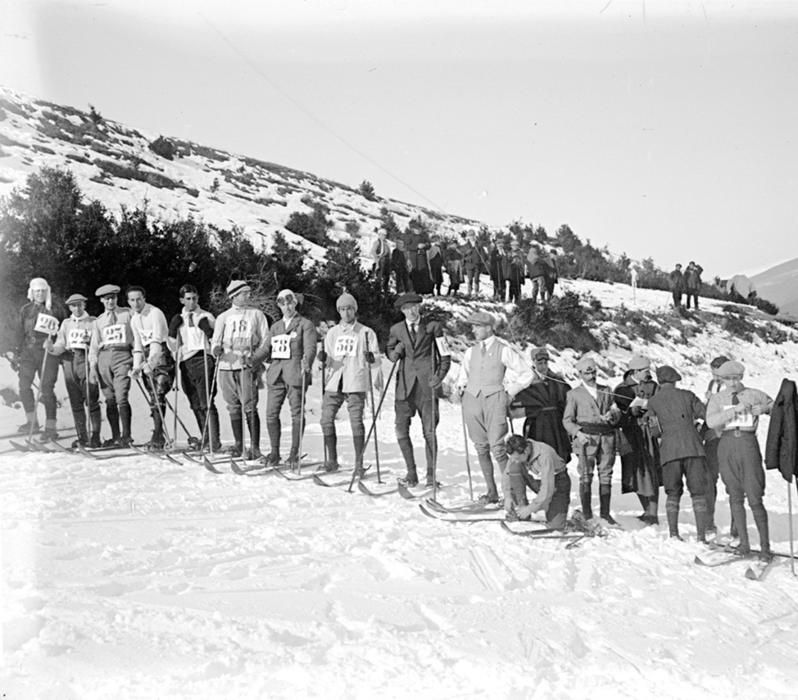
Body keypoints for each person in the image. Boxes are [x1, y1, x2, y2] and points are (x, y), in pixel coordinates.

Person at [454, 312, 535, 505]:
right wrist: (460, 389)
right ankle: (492, 492)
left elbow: (526, 374)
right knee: (481, 447)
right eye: (472, 326)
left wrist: (510, 392)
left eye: (477, 326)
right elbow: (463, 375)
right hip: (472, 401)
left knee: (498, 448)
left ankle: (513, 494)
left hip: (495, 400)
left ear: (489, 328)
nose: (473, 330)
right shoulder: (470, 352)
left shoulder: (503, 350)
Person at [706, 360, 774, 561]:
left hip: (747, 444)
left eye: (736, 378)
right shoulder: (718, 398)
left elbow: (777, 407)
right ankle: (744, 543)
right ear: (722, 379)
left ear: (741, 378)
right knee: (734, 495)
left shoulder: (754, 394)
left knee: (755, 496)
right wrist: (734, 410)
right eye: (728, 379)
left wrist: (762, 409)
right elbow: (711, 421)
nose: (733, 383)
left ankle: (765, 547)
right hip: (726, 444)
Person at [387, 292, 451, 487]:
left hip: (427, 385)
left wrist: (438, 377)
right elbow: (390, 353)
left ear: (419, 307)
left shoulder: (433, 327)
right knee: (400, 429)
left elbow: (446, 357)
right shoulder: (396, 329)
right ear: (402, 311)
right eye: (407, 308)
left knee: (429, 432)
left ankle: (431, 476)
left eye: (415, 307)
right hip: (404, 386)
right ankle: (411, 472)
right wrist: (395, 352)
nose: (412, 311)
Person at [318, 292, 382, 474]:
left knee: (356, 422)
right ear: (339, 311)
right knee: (326, 419)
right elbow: (328, 359)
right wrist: (323, 359)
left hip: (355, 381)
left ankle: (359, 464)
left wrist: (372, 359)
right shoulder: (332, 333)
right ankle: (331, 460)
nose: (346, 313)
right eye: (343, 309)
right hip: (335, 381)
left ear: (355, 310)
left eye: (349, 309)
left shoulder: (366, 332)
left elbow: (376, 359)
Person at [253, 289, 317, 468]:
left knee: (296, 413)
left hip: (296, 373)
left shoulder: (305, 324)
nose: (287, 307)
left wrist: (308, 361)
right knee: (271, 414)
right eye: (282, 304)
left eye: (289, 303)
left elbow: (311, 348)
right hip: (276, 374)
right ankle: (274, 452)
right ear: (279, 306)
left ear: (295, 303)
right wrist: (251, 360)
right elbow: (266, 348)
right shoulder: (276, 327)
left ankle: (294, 453)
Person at [646, 365, 709, 541]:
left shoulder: (653, 402)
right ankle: (701, 536)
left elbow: (655, 431)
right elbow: (706, 415)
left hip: (669, 452)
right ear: (675, 380)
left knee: (673, 492)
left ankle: (674, 533)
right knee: (698, 492)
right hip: (693, 448)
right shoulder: (688, 396)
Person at [210, 280, 270, 459]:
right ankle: (238, 444)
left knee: (249, 405)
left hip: (247, 365)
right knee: (233, 406)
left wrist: (256, 358)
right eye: (244, 293)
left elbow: (266, 340)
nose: (248, 296)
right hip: (227, 366)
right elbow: (215, 341)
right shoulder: (223, 317)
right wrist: (216, 350)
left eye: (248, 292)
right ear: (234, 296)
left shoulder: (257, 314)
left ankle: (255, 447)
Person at [562, 355, 619, 524]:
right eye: (587, 373)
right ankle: (587, 513)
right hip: (586, 439)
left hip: (606, 438)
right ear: (580, 374)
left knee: (606, 474)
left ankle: (605, 513)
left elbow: (616, 411)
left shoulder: (606, 390)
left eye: (593, 372)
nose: (591, 376)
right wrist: (578, 433)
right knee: (586, 475)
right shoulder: (574, 394)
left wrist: (613, 415)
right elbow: (567, 420)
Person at [167, 284, 221, 452]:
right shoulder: (180, 318)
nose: (191, 302)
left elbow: (216, 340)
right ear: (182, 300)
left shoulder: (206, 316)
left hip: (203, 358)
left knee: (207, 402)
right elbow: (174, 347)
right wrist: (171, 331)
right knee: (195, 403)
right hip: (186, 362)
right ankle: (205, 437)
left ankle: (214, 441)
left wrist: (209, 330)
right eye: (188, 299)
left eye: (194, 298)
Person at [46, 293, 101, 448]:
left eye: (80, 305)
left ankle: (95, 436)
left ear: (84, 305)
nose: (77, 308)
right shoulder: (66, 323)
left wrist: (89, 343)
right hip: (70, 359)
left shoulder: (93, 322)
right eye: (73, 305)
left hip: (86, 359)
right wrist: (52, 348)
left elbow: (98, 343)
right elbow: (61, 344)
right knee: (75, 401)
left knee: (91, 398)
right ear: (69, 307)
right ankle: (82, 437)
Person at [12, 277, 63, 439]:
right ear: (32, 292)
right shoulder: (26, 309)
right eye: (37, 291)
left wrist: (54, 342)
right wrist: (16, 352)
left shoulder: (55, 308)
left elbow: (63, 330)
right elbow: (19, 332)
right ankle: (31, 421)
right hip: (28, 352)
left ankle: (51, 427)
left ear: (47, 291)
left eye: (42, 290)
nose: (40, 293)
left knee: (47, 389)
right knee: (24, 386)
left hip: (47, 352)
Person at [614, 355, 662, 525]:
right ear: (635, 371)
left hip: (650, 432)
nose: (649, 373)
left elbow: (661, 404)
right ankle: (647, 510)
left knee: (653, 471)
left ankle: (652, 513)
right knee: (636, 473)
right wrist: (630, 413)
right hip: (632, 435)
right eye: (645, 370)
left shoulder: (654, 386)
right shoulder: (621, 389)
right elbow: (617, 415)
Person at [128, 286, 175, 450]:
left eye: (139, 299)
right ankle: (158, 433)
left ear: (144, 298)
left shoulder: (155, 313)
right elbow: (138, 345)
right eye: (132, 300)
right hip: (148, 355)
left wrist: (151, 363)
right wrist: (136, 367)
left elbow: (156, 340)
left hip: (161, 355)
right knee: (153, 397)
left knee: (159, 393)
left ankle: (158, 435)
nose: (136, 303)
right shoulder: (134, 319)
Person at [89, 284, 135, 447]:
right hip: (104, 358)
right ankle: (116, 436)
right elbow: (94, 347)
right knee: (109, 399)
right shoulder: (99, 321)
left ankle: (126, 435)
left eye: (113, 298)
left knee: (122, 396)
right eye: (107, 298)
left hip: (122, 355)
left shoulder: (127, 314)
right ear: (102, 300)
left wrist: (136, 359)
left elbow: (135, 338)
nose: (110, 301)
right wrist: (93, 368)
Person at [512, 347, 570, 463]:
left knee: (560, 455)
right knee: (539, 456)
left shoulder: (557, 381)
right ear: (533, 362)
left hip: (557, 425)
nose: (543, 366)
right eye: (539, 363)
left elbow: (569, 400)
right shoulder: (527, 382)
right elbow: (514, 406)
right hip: (537, 425)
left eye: (545, 363)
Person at [504, 434, 572, 530]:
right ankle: (521, 508)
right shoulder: (518, 452)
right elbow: (507, 473)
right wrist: (507, 496)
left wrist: (530, 509)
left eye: (518, 458)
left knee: (555, 526)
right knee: (514, 467)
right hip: (537, 481)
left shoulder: (545, 456)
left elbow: (547, 489)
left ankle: (571, 517)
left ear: (526, 451)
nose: (515, 460)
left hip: (557, 484)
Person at [703, 355, 732, 540]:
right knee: (708, 480)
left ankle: (737, 526)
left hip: (727, 438)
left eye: (718, 374)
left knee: (732, 482)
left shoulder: (733, 387)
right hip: (712, 438)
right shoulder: (712, 385)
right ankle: (708, 521)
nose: (715, 377)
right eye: (712, 373)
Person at [370, 228, 392, 294]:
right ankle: (377, 290)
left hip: (387, 261)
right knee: (379, 276)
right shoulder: (377, 242)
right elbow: (373, 251)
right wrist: (377, 261)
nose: (384, 236)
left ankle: (385, 289)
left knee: (386, 277)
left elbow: (389, 252)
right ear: (379, 235)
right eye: (382, 235)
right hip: (380, 260)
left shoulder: (386, 243)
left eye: (385, 235)